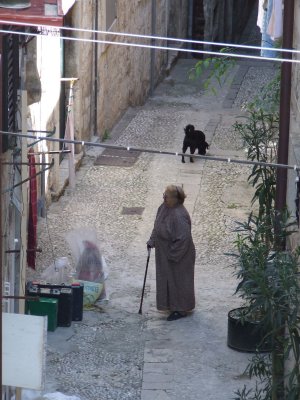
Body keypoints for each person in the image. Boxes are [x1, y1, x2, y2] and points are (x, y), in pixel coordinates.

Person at [147, 185, 196, 321]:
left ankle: (180, 309)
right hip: (165, 254)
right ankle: (170, 305)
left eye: (166, 196)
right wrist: (152, 240)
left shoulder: (179, 215)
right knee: (167, 280)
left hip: (180, 255)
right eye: (164, 195)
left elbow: (183, 239)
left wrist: (171, 255)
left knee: (179, 281)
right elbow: (157, 226)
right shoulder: (163, 207)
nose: (163, 198)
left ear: (175, 199)